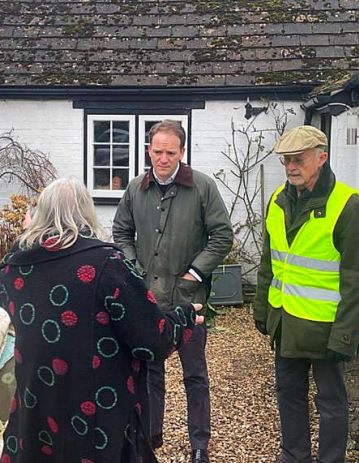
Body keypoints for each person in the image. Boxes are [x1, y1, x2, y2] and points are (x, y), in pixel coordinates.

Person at [0, 177, 204, 463]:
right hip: (95, 418)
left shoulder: (16, 271)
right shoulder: (107, 265)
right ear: (86, 213)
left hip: (37, 413)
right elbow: (153, 341)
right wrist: (185, 315)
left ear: (37, 216)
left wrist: (25, 238)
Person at [112, 120, 233, 463]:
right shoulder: (136, 188)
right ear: (148, 150)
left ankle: (199, 444)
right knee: (151, 371)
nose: (163, 158)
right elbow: (121, 232)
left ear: (182, 152)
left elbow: (222, 235)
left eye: (170, 152)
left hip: (188, 300)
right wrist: (134, 266)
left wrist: (195, 272)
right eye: (157, 151)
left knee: (195, 374)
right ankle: (151, 434)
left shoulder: (203, 188)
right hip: (148, 299)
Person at [254, 126, 359, 463]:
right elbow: (270, 261)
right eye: (286, 160)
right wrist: (263, 310)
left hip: (325, 327)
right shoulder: (279, 200)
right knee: (288, 394)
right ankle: (294, 456)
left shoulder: (348, 206)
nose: (291, 167)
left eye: (299, 160)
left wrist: (346, 335)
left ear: (322, 157)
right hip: (286, 321)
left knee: (331, 401)